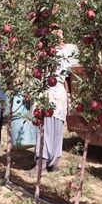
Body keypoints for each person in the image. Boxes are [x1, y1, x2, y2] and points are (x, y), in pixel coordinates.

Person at [29, 30, 71, 174]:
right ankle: (54, 162)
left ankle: (42, 162)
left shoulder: (51, 53)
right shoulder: (66, 51)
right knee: (57, 129)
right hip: (59, 93)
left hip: (49, 92)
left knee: (45, 128)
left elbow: (41, 72)